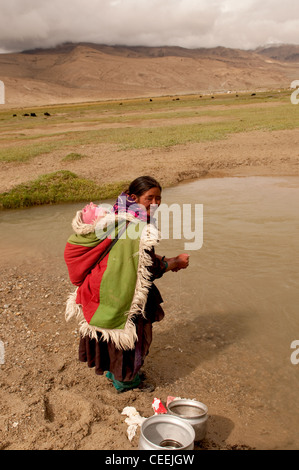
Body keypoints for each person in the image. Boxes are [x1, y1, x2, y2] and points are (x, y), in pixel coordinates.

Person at [64, 176, 189, 393]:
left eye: (159, 198)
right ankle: (126, 382)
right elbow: (146, 267)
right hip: (121, 290)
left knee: (111, 334)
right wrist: (174, 262)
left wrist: (163, 259)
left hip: (104, 285)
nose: (155, 203)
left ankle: (113, 373)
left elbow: (131, 256)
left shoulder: (117, 214)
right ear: (133, 197)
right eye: (149, 198)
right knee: (130, 337)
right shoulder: (136, 225)